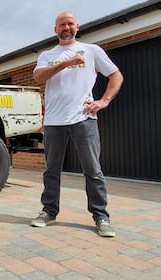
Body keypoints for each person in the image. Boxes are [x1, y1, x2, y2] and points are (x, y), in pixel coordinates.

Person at [30, 11, 124, 237]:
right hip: (53, 122)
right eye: (62, 24)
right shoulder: (47, 55)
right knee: (51, 170)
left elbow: (116, 76)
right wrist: (67, 62)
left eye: (70, 23)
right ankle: (49, 211)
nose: (66, 27)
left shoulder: (92, 51)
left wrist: (104, 101)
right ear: (55, 29)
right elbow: (38, 77)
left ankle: (101, 217)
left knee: (93, 170)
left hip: (84, 119)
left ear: (77, 27)